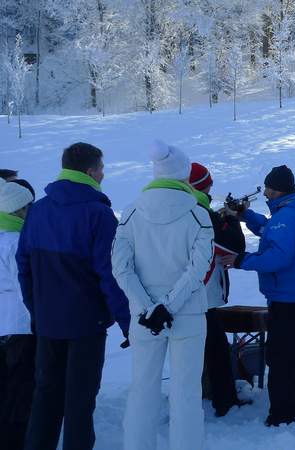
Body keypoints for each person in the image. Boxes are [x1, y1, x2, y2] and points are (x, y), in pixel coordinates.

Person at [17, 142, 131, 450]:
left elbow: (24, 266)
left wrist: (36, 309)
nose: (103, 175)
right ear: (91, 171)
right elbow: (110, 275)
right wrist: (127, 322)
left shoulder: (38, 209)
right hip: (86, 323)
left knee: (45, 397)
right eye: (102, 169)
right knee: (79, 403)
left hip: (48, 321)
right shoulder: (100, 214)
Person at [112, 141, 214, 450]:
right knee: (186, 392)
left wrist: (148, 307)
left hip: (144, 319)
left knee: (143, 389)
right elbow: (199, 269)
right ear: (183, 175)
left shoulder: (130, 213)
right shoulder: (198, 215)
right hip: (187, 315)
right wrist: (166, 307)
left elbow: (120, 268)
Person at [219, 165, 295, 427]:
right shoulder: (293, 211)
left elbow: (278, 257)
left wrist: (242, 260)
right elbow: (270, 230)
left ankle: (282, 415)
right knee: (293, 354)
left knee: (280, 357)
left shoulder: (287, 217)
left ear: (276, 190)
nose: (264, 193)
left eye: (266, 189)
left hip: (291, 297)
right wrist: (247, 216)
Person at [188, 162, 251, 417]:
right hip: (202, 294)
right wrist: (232, 220)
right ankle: (224, 401)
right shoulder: (202, 212)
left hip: (173, 295)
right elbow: (233, 249)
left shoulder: (174, 208)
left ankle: (193, 397)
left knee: (189, 350)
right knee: (216, 350)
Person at [0, 179, 35, 450]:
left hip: (5, 325)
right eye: (27, 207)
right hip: (20, 324)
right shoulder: (15, 242)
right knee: (19, 389)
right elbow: (26, 283)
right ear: (17, 210)